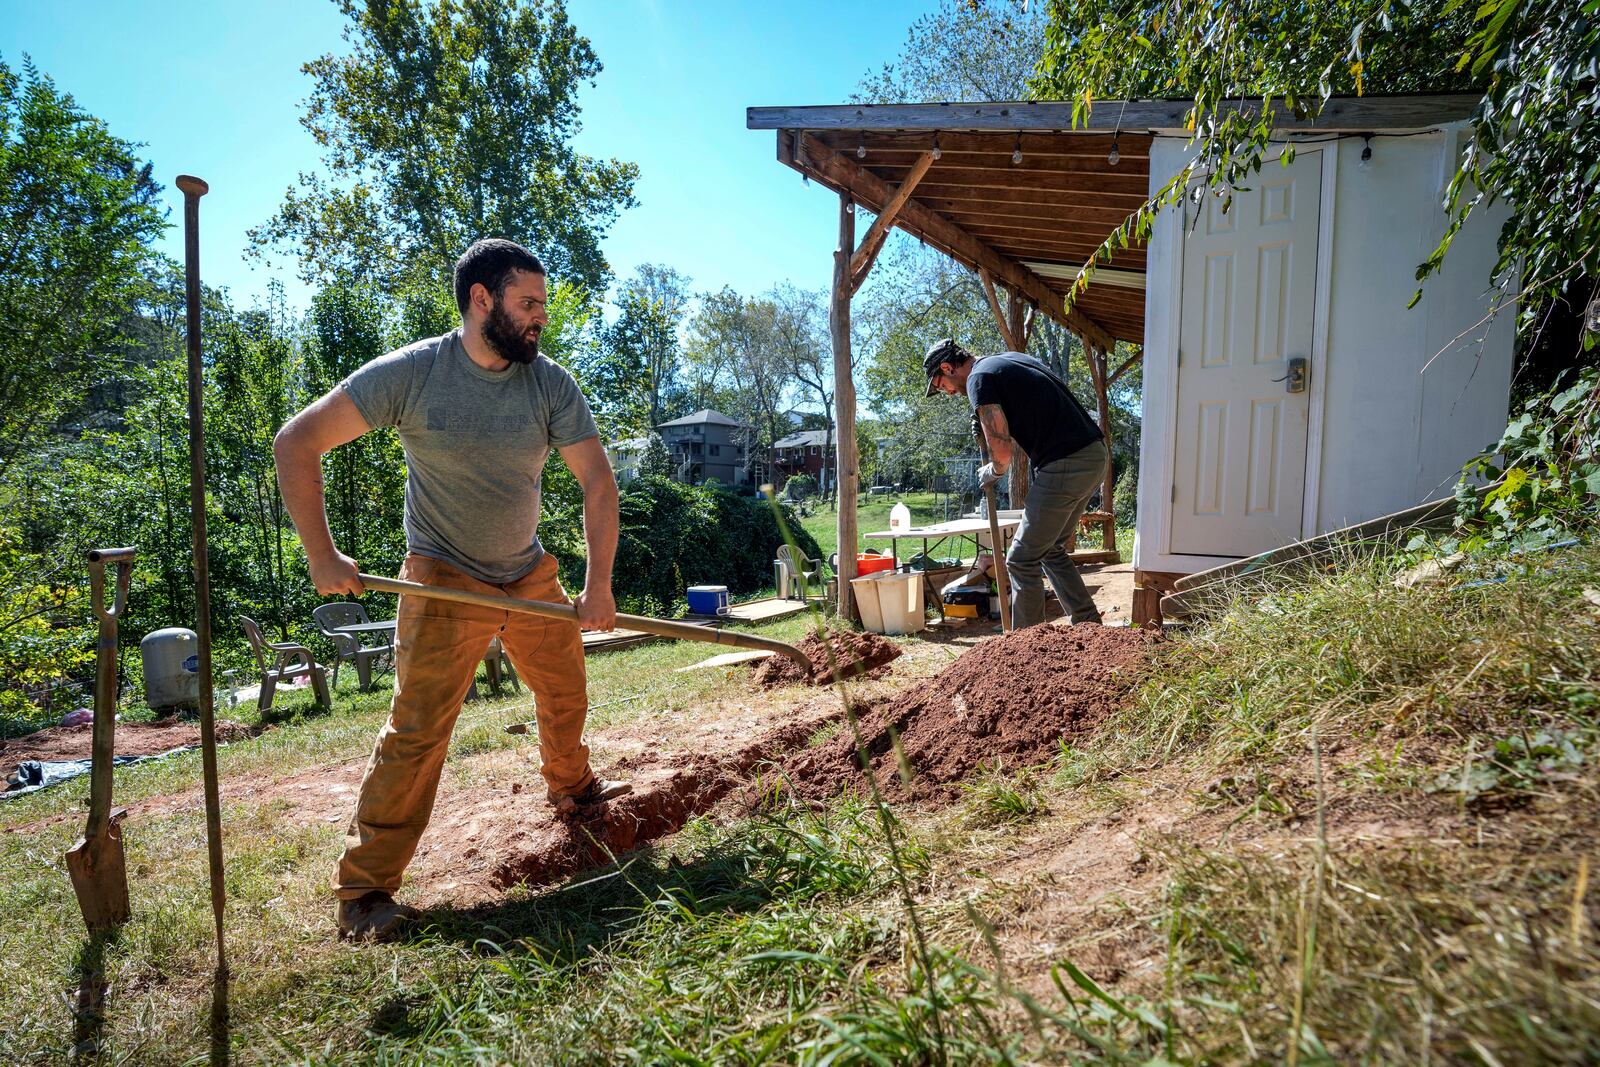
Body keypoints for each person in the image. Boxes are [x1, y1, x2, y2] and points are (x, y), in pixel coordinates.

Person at [274, 238, 629, 941]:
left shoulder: (549, 383)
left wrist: (599, 585)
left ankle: (573, 792)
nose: (539, 320)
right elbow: (296, 441)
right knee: (417, 731)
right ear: (480, 300)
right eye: (528, 304)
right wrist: (321, 552)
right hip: (442, 576)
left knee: (565, 691)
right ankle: (365, 890)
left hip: (526, 573)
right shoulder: (415, 373)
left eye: (543, 307)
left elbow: (597, 483)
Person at [924, 338, 1107, 629]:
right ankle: (1088, 624)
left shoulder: (979, 380)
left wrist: (993, 471)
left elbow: (1003, 453)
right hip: (1093, 454)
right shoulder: (1007, 360)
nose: (945, 392)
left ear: (947, 368)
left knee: (1021, 559)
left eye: (939, 384)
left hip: (1066, 461)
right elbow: (1031, 405)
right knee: (1050, 550)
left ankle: (1026, 645)